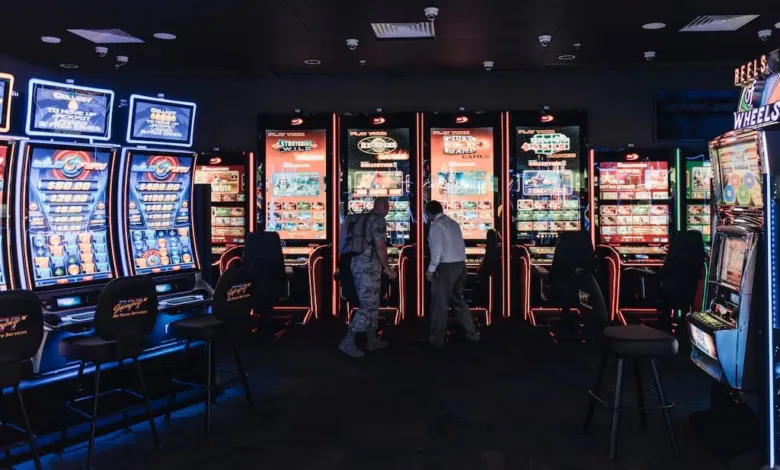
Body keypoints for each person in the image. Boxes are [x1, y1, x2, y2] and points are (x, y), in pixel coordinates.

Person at [339, 197, 397, 358]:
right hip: (368, 268)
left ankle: (372, 340)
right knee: (368, 305)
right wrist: (388, 268)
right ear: (385, 207)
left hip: (357, 264)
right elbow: (380, 246)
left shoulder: (362, 217)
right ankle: (348, 341)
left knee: (373, 303)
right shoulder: (378, 221)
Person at [425, 200, 480, 348]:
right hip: (461, 266)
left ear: (429, 214)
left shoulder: (436, 226)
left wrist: (430, 270)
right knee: (458, 301)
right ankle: (472, 334)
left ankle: (436, 342)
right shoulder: (453, 223)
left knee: (440, 305)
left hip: (446, 268)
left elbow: (437, 252)